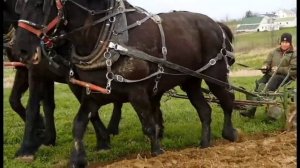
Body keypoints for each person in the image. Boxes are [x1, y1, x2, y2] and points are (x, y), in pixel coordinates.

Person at [240, 32, 297, 119]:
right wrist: (265, 67)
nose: (284, 44)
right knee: (259, 84)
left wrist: (279, 69)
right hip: (270, 75)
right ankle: (251, 111)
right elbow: (267, 63)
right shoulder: (274, 52)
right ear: (280, 42)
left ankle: (264, 107)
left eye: (287, 42)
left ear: (290, 43)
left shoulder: (294, 54)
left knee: (270, 84)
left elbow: (293, 70)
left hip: (285, 77)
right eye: (283, 42)